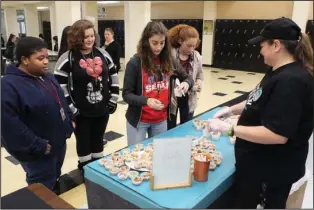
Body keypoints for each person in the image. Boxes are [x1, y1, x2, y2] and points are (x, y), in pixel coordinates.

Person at [207, 17, 313, 209]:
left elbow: (277, 134)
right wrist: (230, 109)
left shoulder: (291, 81)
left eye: (263, 45)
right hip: (258, 165)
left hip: (271, 170)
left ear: (276, 45)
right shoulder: (278, 71)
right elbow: (258, 98)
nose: (260, 50)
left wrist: (230, 129)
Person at [1, 37, 74, 191]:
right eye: (40, 58)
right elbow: (9, 126)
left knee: (54, 180)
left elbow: (61, 100)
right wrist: (38, 145)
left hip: (57, 144)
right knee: (41, 189)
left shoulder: (47, 77)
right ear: (25, 59)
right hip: (37, 153)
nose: (46, 62)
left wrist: (69, 121)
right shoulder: (8, 86)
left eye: (47, 57)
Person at [54, 20, 119, 171]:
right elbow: (59, 86)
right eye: (86, 36)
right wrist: (71, 108)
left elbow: (113, 74)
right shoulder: (68, 57)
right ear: (77, 38)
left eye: (92, 36)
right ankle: (85, 170)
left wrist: (114, 98)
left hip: (102, 110)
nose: (90, 39)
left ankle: (96, 171)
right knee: (83, 143)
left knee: (98, 140)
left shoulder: (102, 53)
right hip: (80, 113)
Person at [123, 21, 194, 146]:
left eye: (162, 43)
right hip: (139, 121)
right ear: (146, 41)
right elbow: (127, 95)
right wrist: (147, 101)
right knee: (135, 156)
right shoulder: (135, 63)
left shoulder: (169, 60)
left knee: (157, 157)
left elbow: (188, 77)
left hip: (161, 120)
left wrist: (186, 84)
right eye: (154, 43)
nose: (158, 47)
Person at [167, 24, 204, 129]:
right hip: (171, 97)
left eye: (194, 46)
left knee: (186, 127)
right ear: (180, 41)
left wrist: (199, 83)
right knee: (169, 127)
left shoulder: (197, 56)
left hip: (189, 97)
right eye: (188, 45)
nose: (191, 49)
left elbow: (200, 74)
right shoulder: (170, 55)